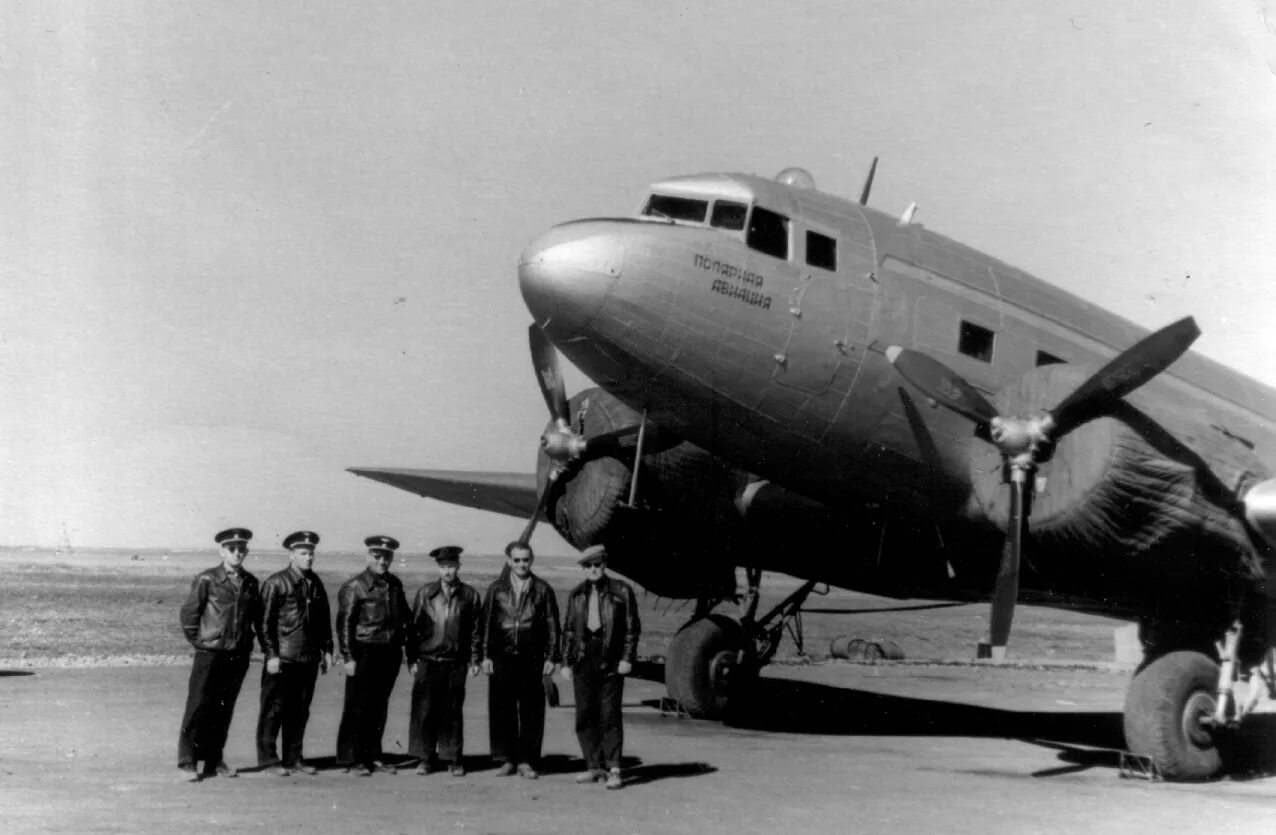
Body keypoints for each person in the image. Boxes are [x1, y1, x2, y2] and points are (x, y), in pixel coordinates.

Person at [177, 527, 261, 782]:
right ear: (221, 551)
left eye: (241, 549)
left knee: (224, 708)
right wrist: (201, 642)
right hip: (210, 654)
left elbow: (254, 618)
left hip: (237, 655)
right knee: (199, 705)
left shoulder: (250, 582)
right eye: (231, 549)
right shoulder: (207, 579)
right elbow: (189, 614)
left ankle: (214, 759)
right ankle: (187, 761)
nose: (237, 553)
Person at [561, 544, 641, 790]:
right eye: (588, 566)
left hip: (611, 659)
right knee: (585, 714)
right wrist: (565, 661)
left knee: (609, 714)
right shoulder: (576, 594)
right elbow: (569, 631)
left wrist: (627, 658)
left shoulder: (621, 591)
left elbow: (631, 627)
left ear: (604, 565)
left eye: (598, 565)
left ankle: (614, 768)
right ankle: (593, 766)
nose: (593, 570)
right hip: (584, 658)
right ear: (583, 569)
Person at [256, 530, 333, 776]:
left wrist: (328, 650)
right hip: (283, 659)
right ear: (291, 554)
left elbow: (323, 620)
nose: (308, 558)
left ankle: (293, 757)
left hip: (308, 658)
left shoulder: (315, 583)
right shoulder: (276, 582)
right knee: (274, 709)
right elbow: (263, 623)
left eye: (311, 553)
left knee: (300, 710)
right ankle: (268, 760)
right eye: (303, 553)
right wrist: (271, 654)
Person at [481, 541, 560, 779]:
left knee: (531, 711)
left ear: (531, 560)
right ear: (508, 561)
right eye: (516, 560)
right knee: (502, 710)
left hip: (532, 658)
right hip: (502, 656)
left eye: (525, 559)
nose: (521, 564)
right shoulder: (497, 589)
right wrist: (485, 655)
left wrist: (552, 656)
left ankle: (527, 760)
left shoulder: (543, 589)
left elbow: (552, 625)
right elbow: (485, 625)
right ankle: (506, 759)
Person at [335, 535, 412, 776]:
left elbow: (405, 618)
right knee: (358, 707)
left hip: (388, 653)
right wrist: (347, 657)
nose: (382, 561)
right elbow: (344, 624)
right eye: (377, 556)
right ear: (368, 556)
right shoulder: (355, 586)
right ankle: (354, 758)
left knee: (379, 707)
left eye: (387, 557)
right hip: (364, 651)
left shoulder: (395, 585)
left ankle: (374, 755)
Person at [406, 545, 483, 776]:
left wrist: (475, 659)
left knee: (452, 712)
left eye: (451, 566)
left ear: (459, 566)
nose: (448, 571)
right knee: (425, 711)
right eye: (443, 566)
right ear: (437, 568)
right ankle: (425, 758)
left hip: (455, 661)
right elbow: (414, 629)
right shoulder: (425, 593)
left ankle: (453, 758)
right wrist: (411, 658)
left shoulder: (470, 595)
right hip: (428, 660)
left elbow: (476, 631)